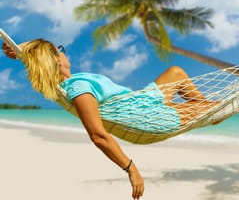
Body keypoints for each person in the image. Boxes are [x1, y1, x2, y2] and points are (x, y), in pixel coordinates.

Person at [2, 39, 218, 200]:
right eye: (60, 50)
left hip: (142, 101)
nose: (63, 52)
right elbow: (98, 136)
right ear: (56, 60)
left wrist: (21, 52)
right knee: (212, 107)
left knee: (176, 73)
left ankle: (208, 112)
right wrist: (131, 168)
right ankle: (211, 113)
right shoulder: (78, 88)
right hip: (148, 117)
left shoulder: (74, 82)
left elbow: (38, 60)